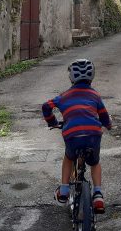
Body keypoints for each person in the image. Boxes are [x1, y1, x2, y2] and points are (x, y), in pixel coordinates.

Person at [42, 58, 112, 214]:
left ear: (71, 77)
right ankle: (98, 195)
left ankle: (64, 190)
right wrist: (108, 125)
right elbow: (104, 117)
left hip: (72, 135)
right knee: (95, 163)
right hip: (93, 134)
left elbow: (46, 106)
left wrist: (52, 122)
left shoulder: (64, 96)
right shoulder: (95, 95)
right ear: (92, 76)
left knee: (69, 157)